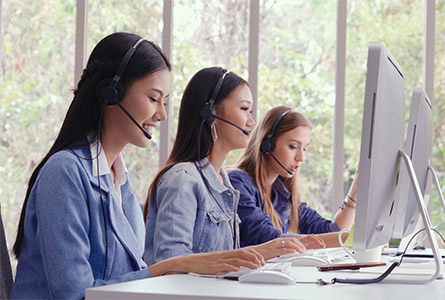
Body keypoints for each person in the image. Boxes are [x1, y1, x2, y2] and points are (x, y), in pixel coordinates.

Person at [10, 33, 265, 300]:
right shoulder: (65, 173)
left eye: (164, 102)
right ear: (113, 92)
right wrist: (172, 266)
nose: (162, 115)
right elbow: (74, 294)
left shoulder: (121, 180)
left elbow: (134, 275)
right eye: (154, 99)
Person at [143, 67, 324, 266]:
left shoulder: (225, 183)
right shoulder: (182, 180)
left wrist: (260, 253)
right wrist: (264, 250)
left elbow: (225, 263)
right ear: (210, 112)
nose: (251, 122)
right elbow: (170, 265)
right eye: (244, 109)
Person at [228, 106, 359, 248]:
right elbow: (268, 239)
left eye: (304, 148)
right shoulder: (238, 182)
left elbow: (333, 231)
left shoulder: (282, 195)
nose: (301, 157)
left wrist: (357, 183)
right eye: (293, 146)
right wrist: (352, 239)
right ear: (267, 144)